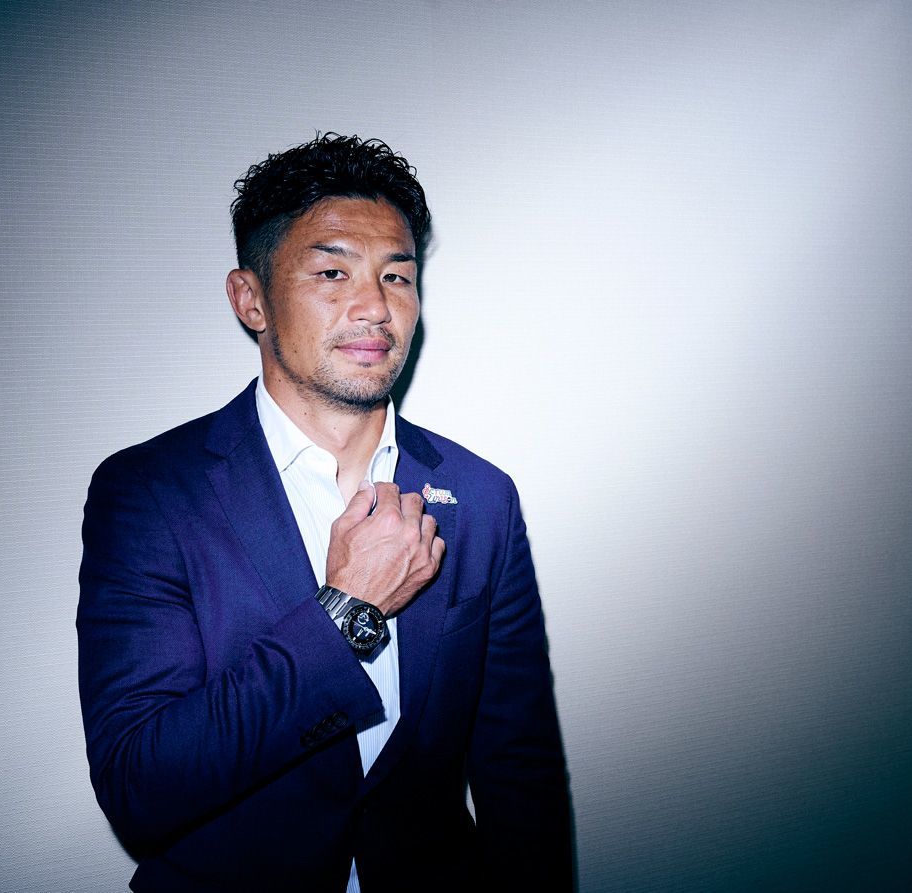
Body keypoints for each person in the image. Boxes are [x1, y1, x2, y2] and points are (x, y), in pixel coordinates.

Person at [77, 133, 572, 892]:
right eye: (333, 272)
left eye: (396, 276)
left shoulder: (482, 496)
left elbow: (521, 773)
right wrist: (347, 611)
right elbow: (140, 788)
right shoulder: (150, 492)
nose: (375, 307)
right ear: (251, 300)